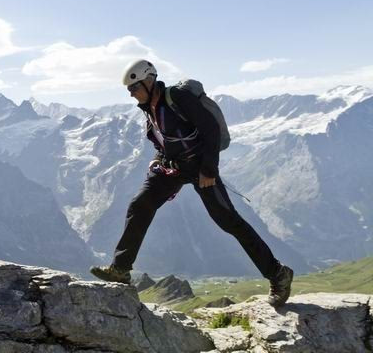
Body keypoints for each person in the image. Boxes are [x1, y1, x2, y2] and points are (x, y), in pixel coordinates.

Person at [90, 59, 294, 307]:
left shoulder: (177, 96)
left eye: (134, 88)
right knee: (140, 205)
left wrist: (209, 169)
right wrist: (157, 160)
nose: (132, 95)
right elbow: (164, 141)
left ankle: (278, 274)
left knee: (229, 221)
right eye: (130, 91)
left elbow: (211, 130)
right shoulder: (149, 110)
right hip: (171, 168)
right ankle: (120, 270)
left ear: (148, 81)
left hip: (200, 169)